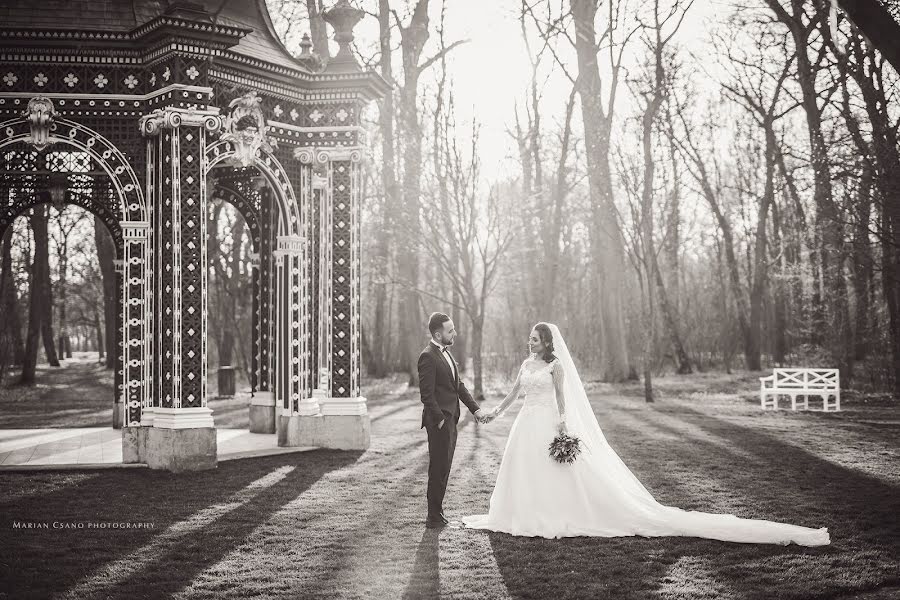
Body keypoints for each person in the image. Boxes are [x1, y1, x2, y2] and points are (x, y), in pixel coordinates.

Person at [462, 322, 830, 546]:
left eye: (535, 339)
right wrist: (494, 411)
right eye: (529, 338)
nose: (530, 343)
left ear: (547, 343)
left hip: (547, 423)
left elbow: (562, 399)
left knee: (555, 472)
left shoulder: (556, 367)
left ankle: (556, 512)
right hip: (525, 423)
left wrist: (562, 424)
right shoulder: (526, 364)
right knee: (522, 470)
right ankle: (521, 513)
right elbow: (515, 393)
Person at [418, 312, 487, 529]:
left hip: (451, 419)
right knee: (438, 468)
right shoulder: (428, 356)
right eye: (450, 330)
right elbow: (426, 395)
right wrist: (439, 419)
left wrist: (475, 409)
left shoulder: (446, 354)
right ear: (438, 334)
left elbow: (458, 386)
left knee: (444, 466)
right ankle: (433, 518)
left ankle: (438, 514)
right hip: (440, 422)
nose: (454, 333)